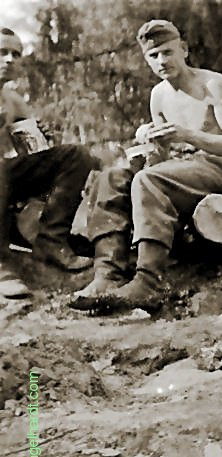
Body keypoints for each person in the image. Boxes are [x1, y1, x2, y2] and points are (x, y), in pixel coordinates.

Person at [71, 20, 222, 311]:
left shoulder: (212, 84)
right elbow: (161, 162)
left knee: (147, 180)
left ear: (184, 50)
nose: (161, 61)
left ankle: (149, 282)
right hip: (179, 171)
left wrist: (187, 134)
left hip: (218, 171)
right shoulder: (159, 95)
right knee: (112, 177)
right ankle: (109, 273)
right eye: (153, 56)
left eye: (167, 52)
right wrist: (151, 146)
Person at [0, 27, 97, 299]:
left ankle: (51, 240)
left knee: (76, 155)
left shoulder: (13, 101)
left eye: (15, 54)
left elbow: (30, 157)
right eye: (2, 52)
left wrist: (44, 138)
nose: (9, 59)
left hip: (5, 182)